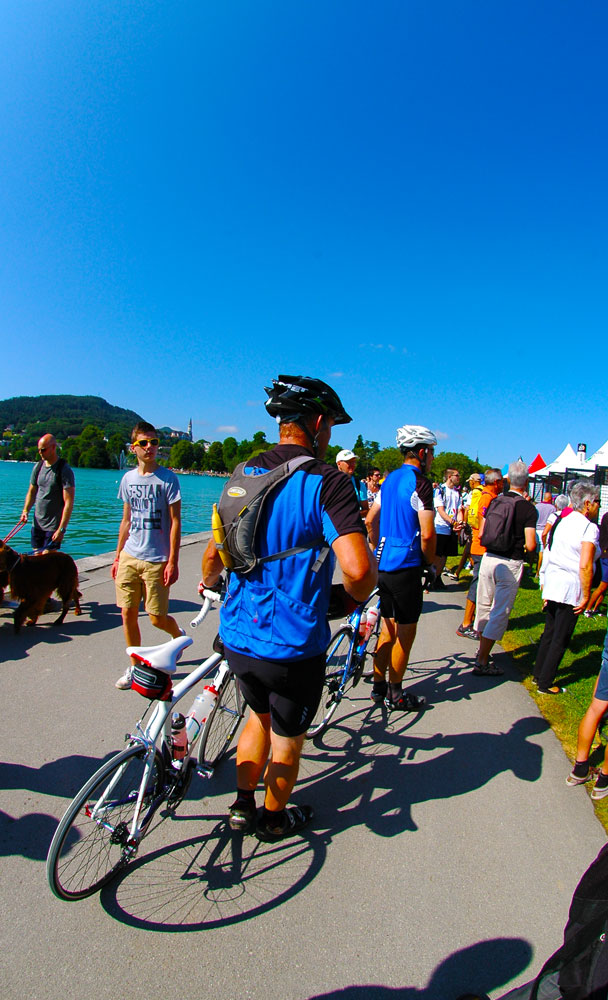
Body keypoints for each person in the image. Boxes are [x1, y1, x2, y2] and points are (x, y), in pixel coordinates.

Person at [201, 376, 377, 841]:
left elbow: (214, 552)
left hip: (238, 632)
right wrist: (350, 599)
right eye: (331, 426)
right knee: (287, 738)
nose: (331, 435)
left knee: (255, 717)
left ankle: (242, 805)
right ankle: (275, 819)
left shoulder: (244, 473)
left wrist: (211, 584)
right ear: (318, 424)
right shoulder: (328, 482)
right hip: (292, 646)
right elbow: (358, 569)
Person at [365, 424, 436, 710]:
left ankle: (378, 687)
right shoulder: (421, 483)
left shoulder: (390, 479)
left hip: (383, 564)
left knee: (387, 630)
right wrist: (430, 565)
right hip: (406, 566)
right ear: (422, 452)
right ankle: (396, 694)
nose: (431, 458)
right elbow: (428, 534)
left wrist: (374, 549)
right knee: (405, 635)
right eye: (431, 453)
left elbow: (370, 520)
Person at [112, 422, 183, 690]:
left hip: (157, 558)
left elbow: (176, 522)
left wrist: (173, 560)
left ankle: (178, 636)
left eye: (154, 442)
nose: (150, 447)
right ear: (134, 448)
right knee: (127, 613)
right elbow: (126, 521)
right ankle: (135, 667)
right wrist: (118, 557)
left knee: (156, 617)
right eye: (144, 443)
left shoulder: (168, 479)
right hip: (130, 555)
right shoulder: (128, 479)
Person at [533, 481, 600, 694]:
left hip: (554, 581)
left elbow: (552, 550)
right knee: (561, 637)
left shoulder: (564, 520)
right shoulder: (589, 527)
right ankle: (546, 682)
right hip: (571, 586)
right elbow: (585, 564)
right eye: (597, 502)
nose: (598, 506)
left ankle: (538, 674)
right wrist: (586, 594)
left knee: (550, 632)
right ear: (588, 504)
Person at [473, 460, 538, 676]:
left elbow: (482, 533)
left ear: (508, 480)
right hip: (510, 562)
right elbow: (530, 544)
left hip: (488, 557)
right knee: (499, 611)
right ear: (527, 482)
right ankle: (482, 660)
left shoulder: (495, 501)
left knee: (483, 605)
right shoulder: (528, 508)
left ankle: (481, 650)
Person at [456, 469, 503, 640]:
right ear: (496, 482)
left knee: (480, 585)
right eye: (502, 482)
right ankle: (466, 623)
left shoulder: (485, 496)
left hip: (479, 546)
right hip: (481, 547)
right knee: (477, 585)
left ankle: (472, 621)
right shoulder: (486, 497)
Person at [20, 434, 75, 552]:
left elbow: (69, 502)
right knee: (36, 562)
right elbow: (32, 491)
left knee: (47, 562)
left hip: (53, 527)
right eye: (39, 449)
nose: (40, 452)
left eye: (43, 449)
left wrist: (62, 529)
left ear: (54, 447)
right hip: (37, 524)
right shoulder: (38, 467)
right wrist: (25, 510)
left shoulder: (64, 470)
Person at [447, 473, 483, 580]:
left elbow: (467, 509)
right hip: (479, 524)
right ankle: (459, 572)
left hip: (472, 525)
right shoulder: (483, 491)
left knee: (469, 549)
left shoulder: (474, 493)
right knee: (468, 549)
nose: (469, 484)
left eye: (470, 482)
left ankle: (472, 571)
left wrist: (464, 522)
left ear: (473, 481)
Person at [432, 468, 464, 588]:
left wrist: (459, 522)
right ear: (450, 476)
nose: (458, 478)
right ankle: (432, 577)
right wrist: (452, 522)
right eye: (457, 475)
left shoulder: (457, 492)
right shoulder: (440, 490)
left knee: (445, 554)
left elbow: (460, 510)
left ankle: (438, 577)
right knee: (438, 554)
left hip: (451, 528)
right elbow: (440, 510)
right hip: (440, 527)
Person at [335, 449, 369, 513]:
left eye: (354, 462)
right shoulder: (330, 483)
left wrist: (352, 515)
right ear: (339, 464)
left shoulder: (359, 485)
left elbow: (366, 510)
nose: (352, 465)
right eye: (349, 462)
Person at [534, 491, 556, 575]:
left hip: (536, 529)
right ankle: (538, 571)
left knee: (534, 551)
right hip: (544, 530)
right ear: (550, 499)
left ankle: (530, 567)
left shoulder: (537, 506)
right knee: (541, 552)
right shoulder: (552, 508)